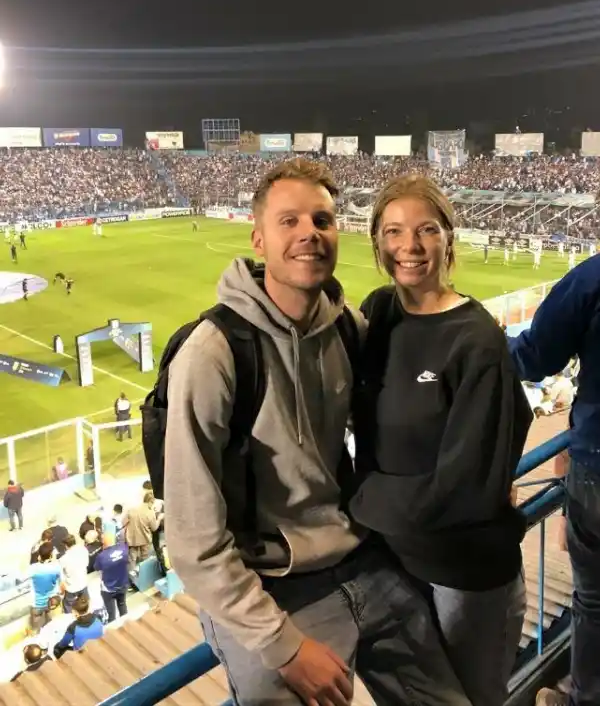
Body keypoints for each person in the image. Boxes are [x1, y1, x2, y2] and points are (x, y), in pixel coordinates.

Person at [165, 157, 471, 706]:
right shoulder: (213, 354)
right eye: (289, 221)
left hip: (362, 560)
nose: (309, 233)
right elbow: (192, 541)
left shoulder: (348, 329)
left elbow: (403, 420)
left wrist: (480, 474)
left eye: (322, 220)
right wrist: (282, 646)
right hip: (270, 589)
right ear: (258, 239)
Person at [349, 174, 531, 706]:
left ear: (448, 237)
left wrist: (356, 497)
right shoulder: (379, 311)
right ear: (377, 241)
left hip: (463, 577)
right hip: (395, 568)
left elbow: (467, 488)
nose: (410, 245)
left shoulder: (476, 339)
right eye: (394, 231)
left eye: (426, 229)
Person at [508, 253, 600, 706]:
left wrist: (467, 334)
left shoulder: (591, 279)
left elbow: (532, 359)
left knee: (595, 599)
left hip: (597, 466)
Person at [53, 593, 103, 657]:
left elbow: (64, 643)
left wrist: (58, 646)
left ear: (75, 612)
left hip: (82, 653)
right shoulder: (97, 617)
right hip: (96, 647)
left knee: (57, 648)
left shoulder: (73, 627)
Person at [94, 532, 129, 623]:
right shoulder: (124, 548)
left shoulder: (101, 556)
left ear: (103, 543)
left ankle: (113, 627)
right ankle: (126, 624)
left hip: (108, 589)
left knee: (111, 613)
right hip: (122, 584)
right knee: (122, 605)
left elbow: (97, 568)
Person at [29, 543, 61, 631]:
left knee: (36, 629)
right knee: (48, 626)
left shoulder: (33, 568)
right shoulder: (56, 568)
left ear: (39, 555)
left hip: (36, 604)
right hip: (49, 602)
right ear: (51, 556)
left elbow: (20, 578)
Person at [59, 534, 89, 613]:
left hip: (71, 587)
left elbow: (60, 574)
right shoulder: (84, 550)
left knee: (68, 605)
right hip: (83, 583)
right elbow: (86, 564)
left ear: (66, 545)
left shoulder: (63, 558)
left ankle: (70, 618)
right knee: (85, 604)